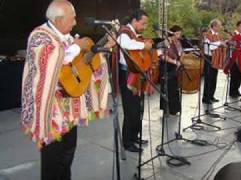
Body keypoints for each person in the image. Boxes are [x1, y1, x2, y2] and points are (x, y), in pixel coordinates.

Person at [21, 1, 113, 180]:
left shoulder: (68, 37)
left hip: (69, 108)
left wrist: (100, 50)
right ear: (58, 19)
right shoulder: (39, 35)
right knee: (52, 158)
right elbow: (51, 58)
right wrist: (77, 46)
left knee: (68, 153)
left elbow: (77, 64)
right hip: (50, 110)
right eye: (72, 19)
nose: (75, 23)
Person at [117, 9, 153, 153]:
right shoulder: (124, 32)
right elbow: (126, 44)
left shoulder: (135, 35)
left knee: (139, 108)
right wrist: (144, 45)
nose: (144, 27)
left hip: (136, 74)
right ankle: (127, 142)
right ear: (135, 20)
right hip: (127, 75)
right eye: (143, 23)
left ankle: (134, 136)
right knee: (131, 110)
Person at [159, 25, 183, 115]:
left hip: (175, 66)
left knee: (175, 88)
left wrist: (180, 60)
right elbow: (162, 55)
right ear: (171, 33)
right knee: (167, 88)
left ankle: (175, 109)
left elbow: (180, 53)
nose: (178, 36)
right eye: (176, 34)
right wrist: (174, 62)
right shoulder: (167, 41)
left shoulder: (178, 42)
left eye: (179, 34)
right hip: (167, 66)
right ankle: (167, 109)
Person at [202, 19, 226, 104]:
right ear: (214, 26)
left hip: (215, 59)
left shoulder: (218, 35)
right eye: (219, 26)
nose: (220, 27)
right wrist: (220, 43)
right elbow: (210, 47)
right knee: (208, 79)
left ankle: (211, 96)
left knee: (214, 79)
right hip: (209, 58)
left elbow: (219, 44)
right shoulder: (207, 35)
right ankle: (206, 98)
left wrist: (223, 43)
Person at [224, 20, 241, 98]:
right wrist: (233, 42)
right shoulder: (233, 34)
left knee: (239, 75)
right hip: (233, 57)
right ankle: (232, 92)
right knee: (234, 75)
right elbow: (228, 43)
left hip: (240, 57)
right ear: (237, 27)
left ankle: (236, 90)